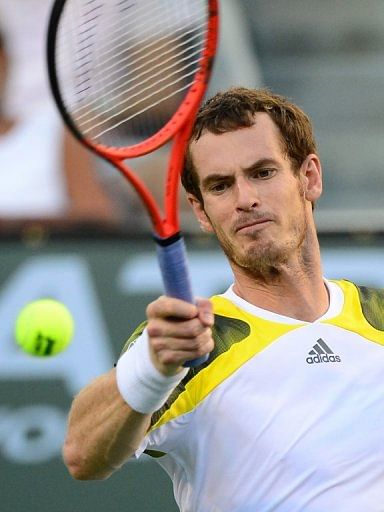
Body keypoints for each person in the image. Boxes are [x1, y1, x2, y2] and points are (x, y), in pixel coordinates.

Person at [62, 87, 384, 511]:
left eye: (263, 172)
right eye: (220, 186)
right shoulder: (192, 344)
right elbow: (83, 455)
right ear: (200, 210)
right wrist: (152, 370)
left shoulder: (376, 314)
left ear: (309, 177)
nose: (244, 199)